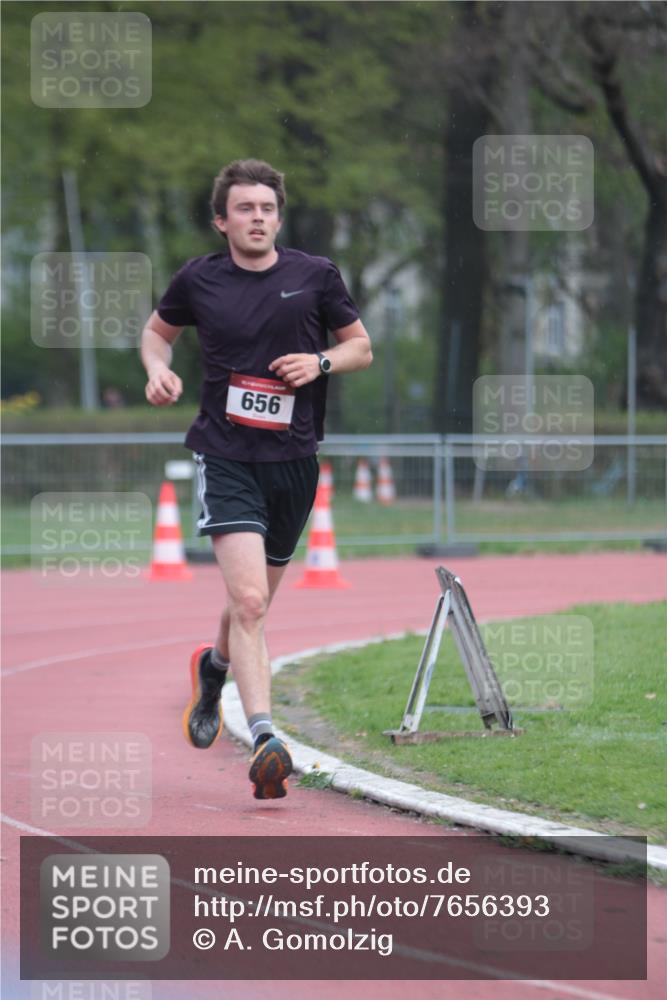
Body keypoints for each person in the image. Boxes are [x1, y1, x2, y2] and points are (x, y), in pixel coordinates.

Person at [140, 159, 372, 800]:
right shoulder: (200, 279)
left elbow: (361, 346)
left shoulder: (315, 276)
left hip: (294, 461)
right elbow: (157, 335)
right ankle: (267, 736)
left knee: (256, 603)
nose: (258, 218)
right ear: (223, 220)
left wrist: (320, 360)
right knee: (248, 603)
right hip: (225, 455)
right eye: (244, 209)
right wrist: (157, 370)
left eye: (267, 208)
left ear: (279, 216)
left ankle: (212, 670)